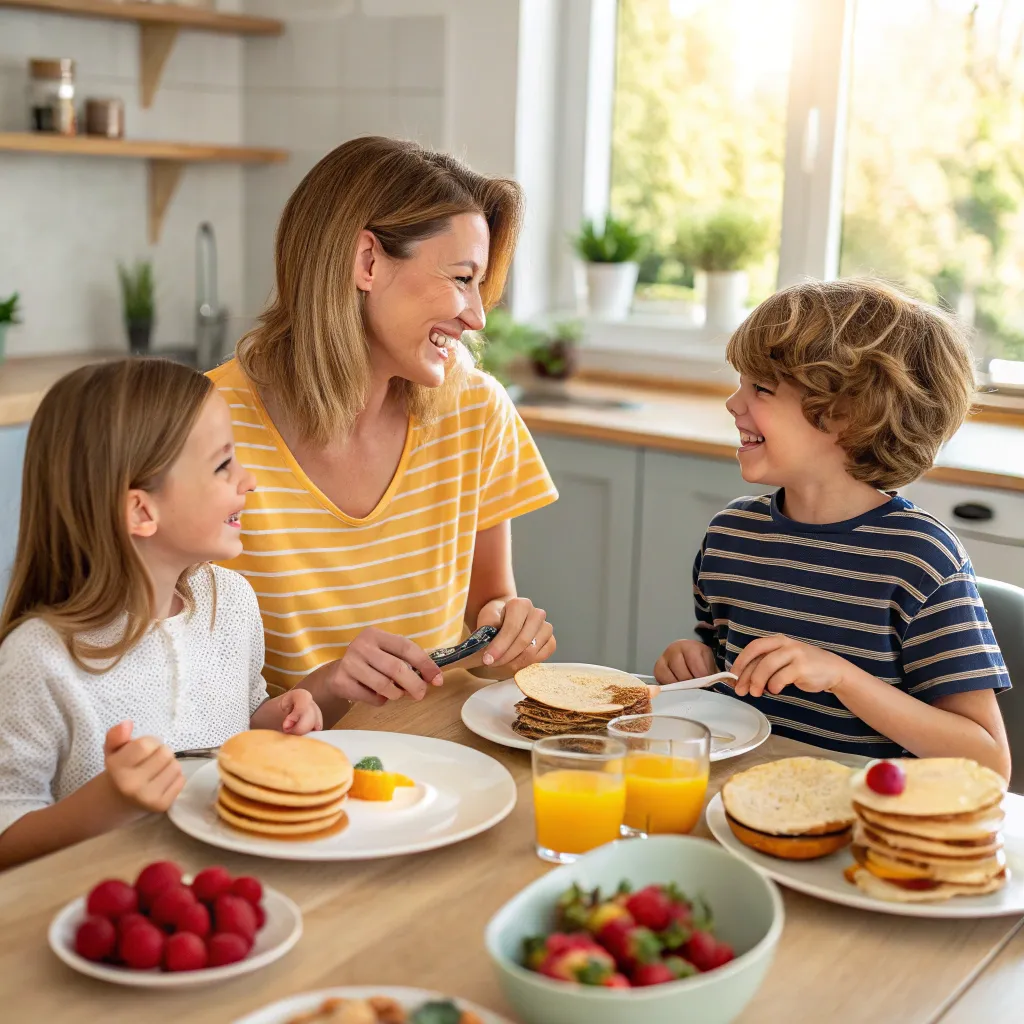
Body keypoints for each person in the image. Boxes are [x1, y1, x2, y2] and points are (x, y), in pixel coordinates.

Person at [210, 136, 558, 722]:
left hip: (439, 766)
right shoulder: (207, 427)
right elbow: (173, 692)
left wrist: (506, 634)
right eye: (461, 278)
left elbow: (488, 607)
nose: (477, 316)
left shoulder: (476, 410)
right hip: (282, 778)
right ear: (367, 262)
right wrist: (325, 687)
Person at [655, 279, 1012, 777]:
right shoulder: (731, 535)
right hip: (742, 802)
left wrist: (843, 678)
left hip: (861, 824)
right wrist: (690, 663)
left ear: (848, 414)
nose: (734, 403)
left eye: (760, 388)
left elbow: (988, 759)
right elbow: (723, 669)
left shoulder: (920, 559)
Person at [0, 359, 322, 868]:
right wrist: (107, 805)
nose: (249, 481)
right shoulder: (37, 660)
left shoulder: (232, 603)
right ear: (141, 512)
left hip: (230, 883)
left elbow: (238, 715)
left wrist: (273, 720)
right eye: (223, 466)